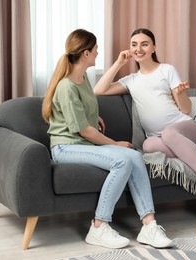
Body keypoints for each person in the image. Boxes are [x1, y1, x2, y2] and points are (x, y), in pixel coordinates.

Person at [94, 28, 196, 216]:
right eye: (134, 44)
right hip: (157, 138)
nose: (138, 48)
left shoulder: (167, 70)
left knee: (169, 133)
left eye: (144, 44)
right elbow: (98, 90)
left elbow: (185, 110)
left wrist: (181, 93)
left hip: (185, 129)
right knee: (148, 145)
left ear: (153, 47)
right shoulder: (131, 80)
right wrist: (119, 63)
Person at [41, 29, 173, 249]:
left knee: (134, 156)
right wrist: (114, 143)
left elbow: (80, 113)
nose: (97, 53)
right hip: (66, 147)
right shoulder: (66, 85)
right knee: (122, 159)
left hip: (82, 143)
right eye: (95, 49)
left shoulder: (81, 79)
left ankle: (149, 226)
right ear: (85, 53)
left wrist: (93, 116)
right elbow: (84, 131)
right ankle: (99, 227)